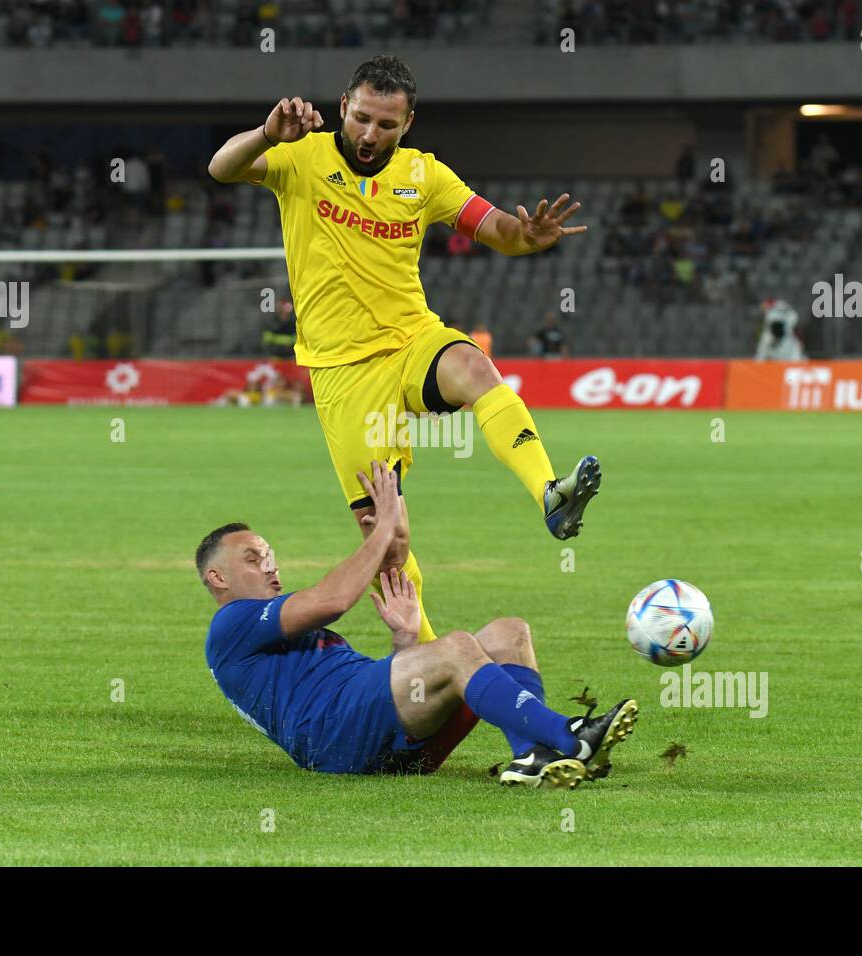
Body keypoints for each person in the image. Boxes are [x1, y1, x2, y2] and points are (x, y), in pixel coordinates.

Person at [207, 55, 602, 645]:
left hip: (412, 340)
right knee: (387, 542)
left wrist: (529, 239)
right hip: (343, 372)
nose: (371, 134)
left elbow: (496, 228)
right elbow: (221, 168)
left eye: (386, 125)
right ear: (343, 107)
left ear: (408, 122)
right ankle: (432, 664)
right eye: (362, 118)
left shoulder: (426, 175)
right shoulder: (300, 156)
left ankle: (549, 492)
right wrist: (267, 133)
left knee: (474, 367)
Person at [199, 461, 639, 787]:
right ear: (217, 578)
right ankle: (568, 736)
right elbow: (332, 599)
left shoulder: (273, 632)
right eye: (254, 559)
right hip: (333, 739)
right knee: (456, 647)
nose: (271, 566)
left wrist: (404, 643)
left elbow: (379, 697)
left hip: (381, 742)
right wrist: (382, 529)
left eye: (269, 555)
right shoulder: (229, 624)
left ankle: (532, 755)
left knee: (510, 631)